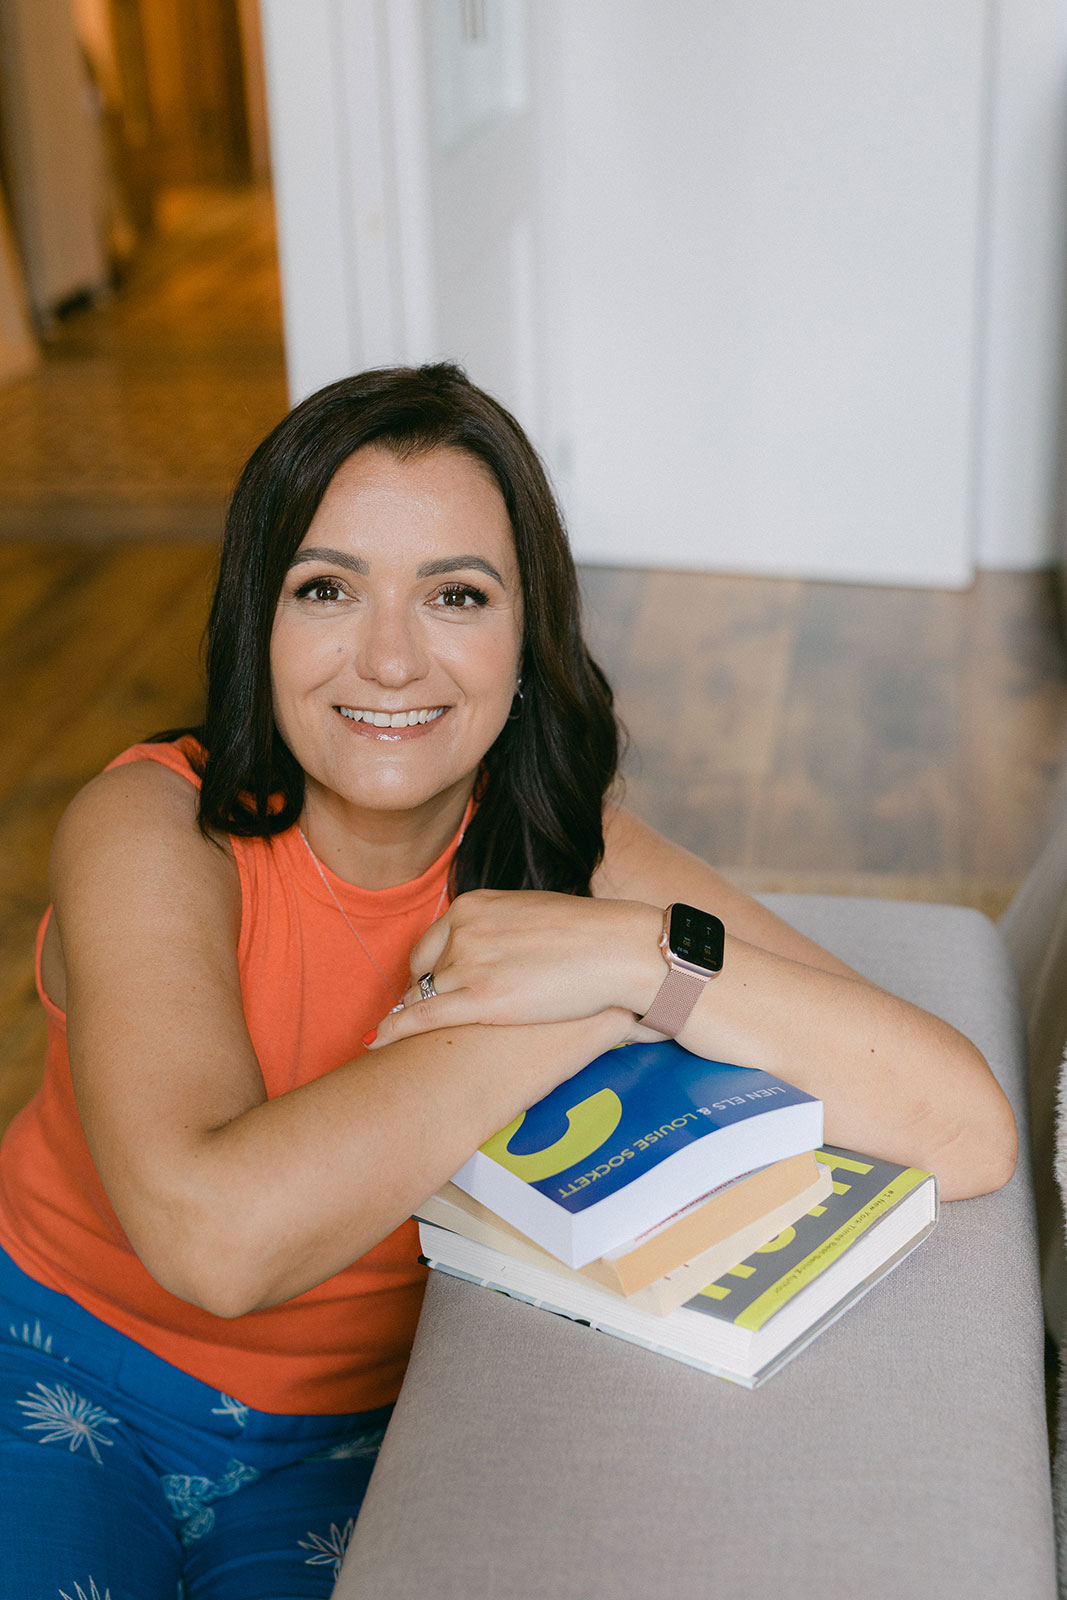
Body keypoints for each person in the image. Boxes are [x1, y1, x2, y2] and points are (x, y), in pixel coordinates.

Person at [0, 364, 1016, 1597]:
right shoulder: (154, 827)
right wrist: (573, 1010)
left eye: (455, 595)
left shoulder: (572, 855)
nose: (387, 657)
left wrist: (634, 952)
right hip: (59, 1364)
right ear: (256, 620)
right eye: (327, 587)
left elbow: (960, 1124)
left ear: (524, 636)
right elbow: (213, 1239)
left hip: (350, 1441)